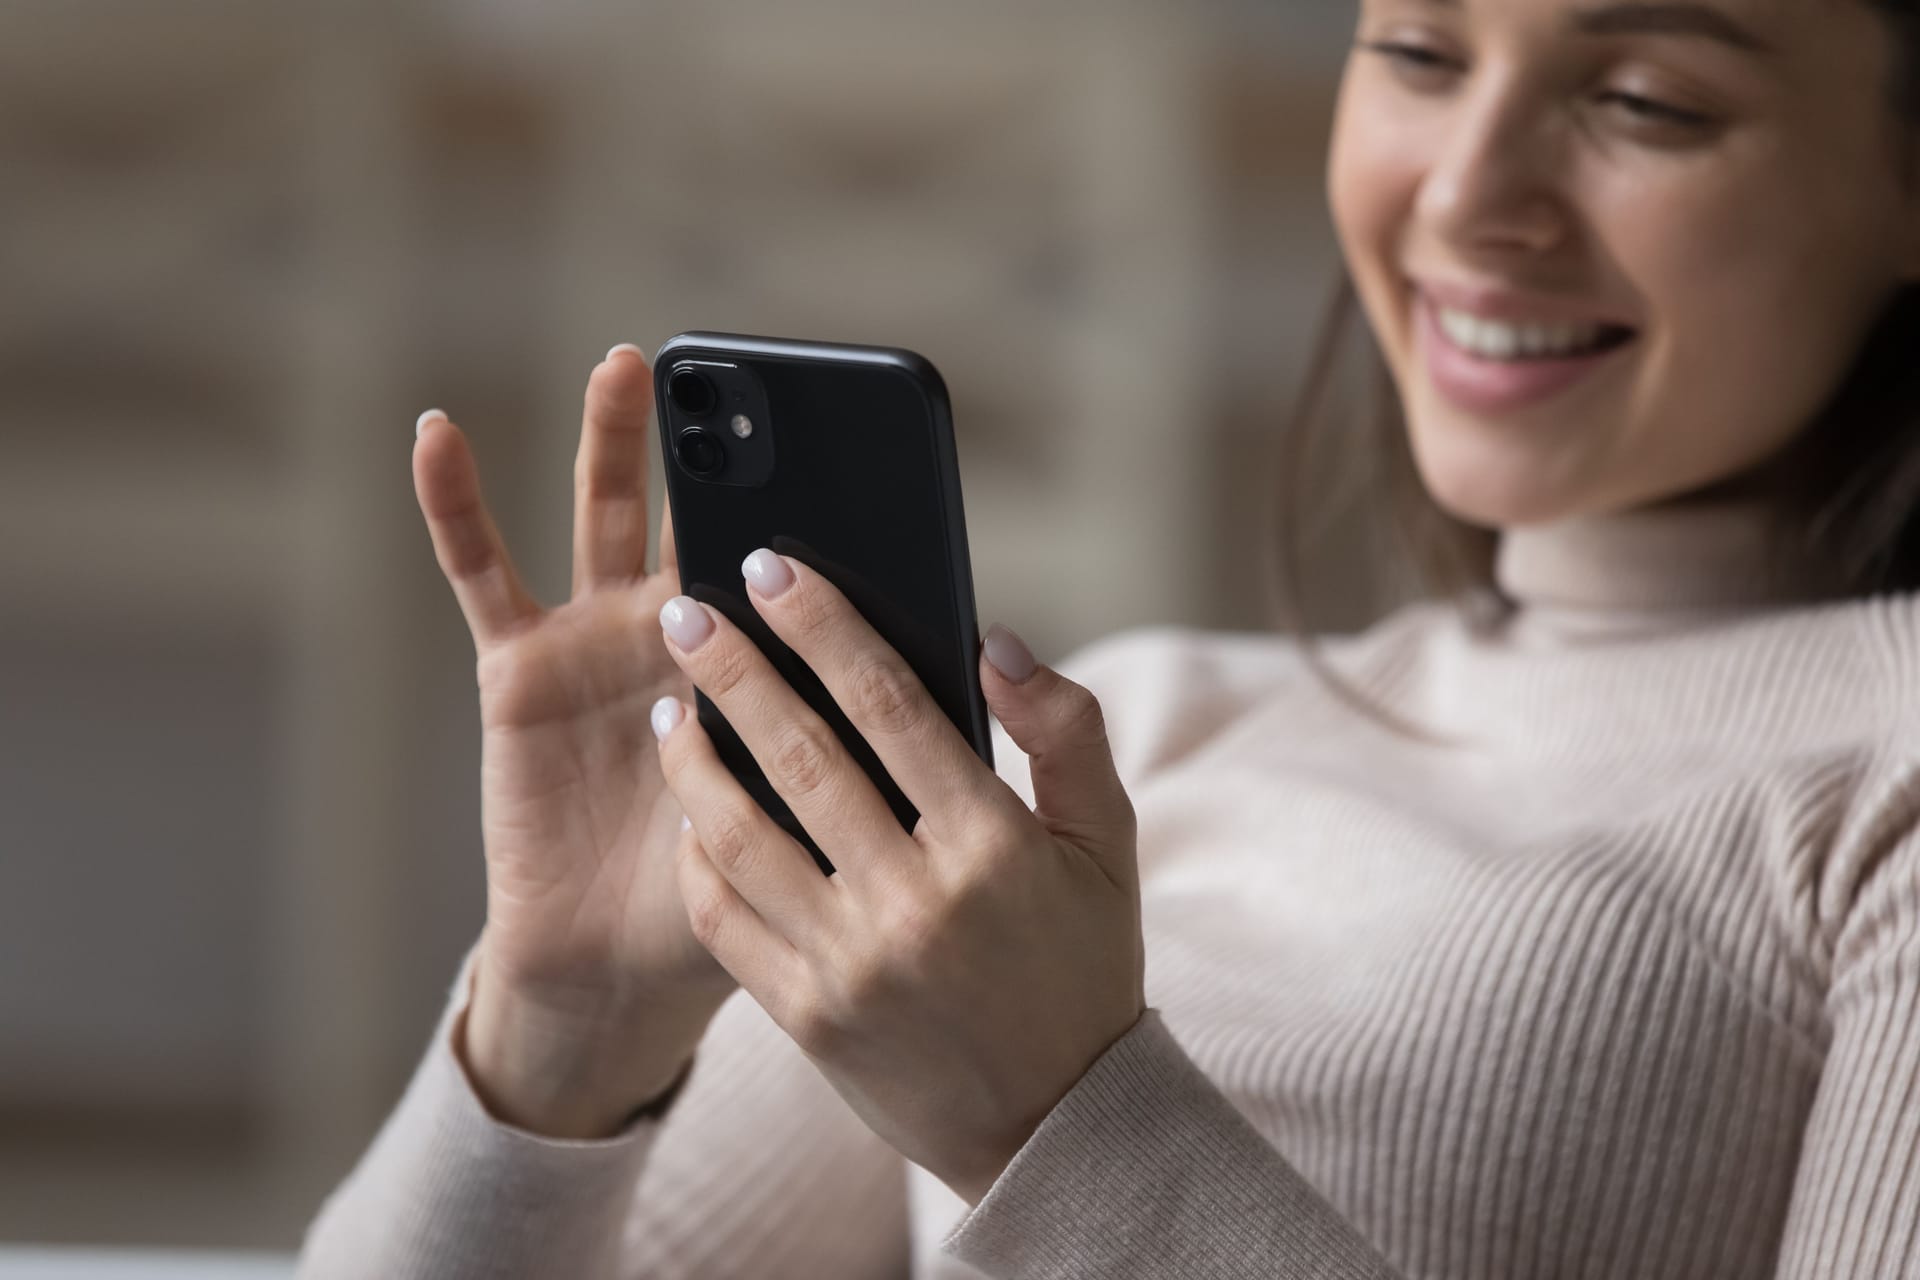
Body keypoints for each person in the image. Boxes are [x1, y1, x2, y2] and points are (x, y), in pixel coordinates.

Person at [296, 0, 1920, 1274]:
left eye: (1647, 100)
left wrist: (1054, 1115)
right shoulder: (1133, 727)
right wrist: (561, 1036)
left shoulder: (1881, 783)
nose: (1470, 191)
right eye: (1418, 52)